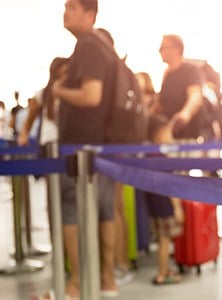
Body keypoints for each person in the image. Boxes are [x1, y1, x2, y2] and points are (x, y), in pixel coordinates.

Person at [50, 0, 118, 298]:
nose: (65, 11)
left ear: (89, 14)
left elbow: (91, 96)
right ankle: (107, 279)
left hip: (81, 147)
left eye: (72, 7)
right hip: (102, 147)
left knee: (69, 212)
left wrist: (59, 91)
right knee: (105, 211)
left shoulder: (89, 46)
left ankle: (75, 282)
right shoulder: (102, 47)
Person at [146, 115, 185, 285]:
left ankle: (164, 269)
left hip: (153, 205)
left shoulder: (147, 157)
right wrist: (177, 208)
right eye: (168, 132)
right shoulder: (162, 159)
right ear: (159, 134)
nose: (170, 137)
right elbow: (171, 186)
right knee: (165, 241)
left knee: (162, 240)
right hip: (165, 206)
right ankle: (162, 274)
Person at [153, 34, 203, 140]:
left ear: (176, 49)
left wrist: (185, 114)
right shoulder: (167, 75)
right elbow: (160, 104)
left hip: (188, 136)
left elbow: (195, 96)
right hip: (170, 135)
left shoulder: (191, 70)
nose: (159, 51)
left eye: (162, 47)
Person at [17, 57, 69, 146]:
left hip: (67, 142)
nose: (66, 77)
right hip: (47, 143)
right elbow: (29, 121)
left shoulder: (71, 94)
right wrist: (24, 136)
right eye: (64, 73)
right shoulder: (42, 94)